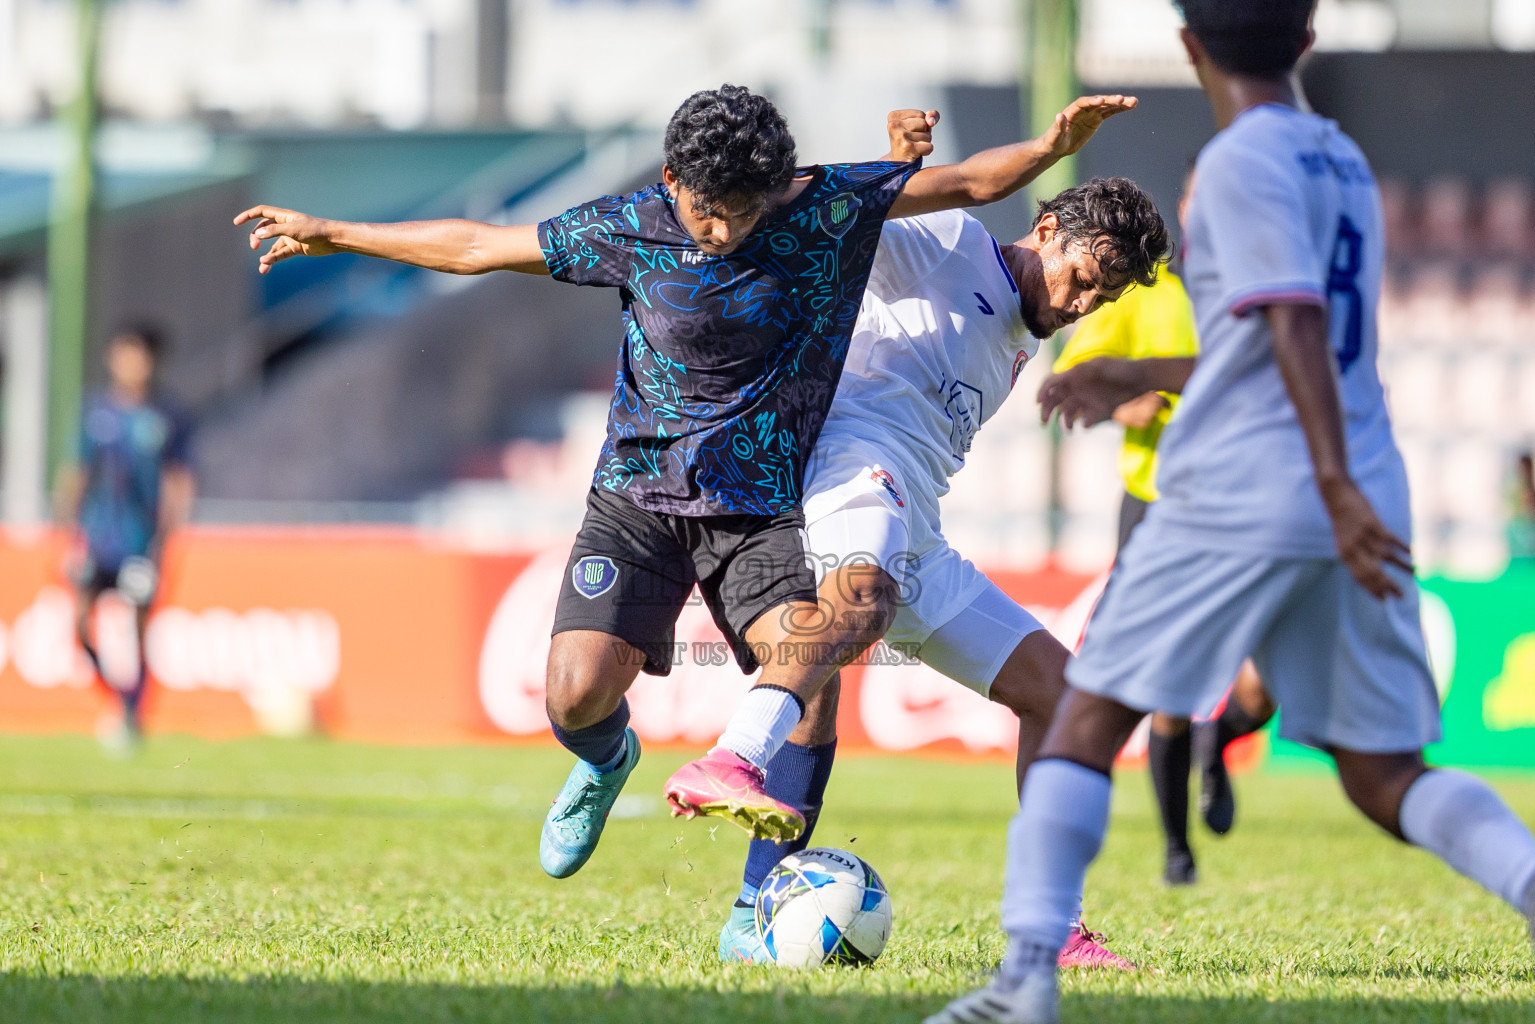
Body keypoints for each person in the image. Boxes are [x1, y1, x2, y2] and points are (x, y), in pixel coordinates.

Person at [237, 85, 1141, 881]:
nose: (726, 231)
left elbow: (943, 184)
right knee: (580, 691)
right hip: (666, 487)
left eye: (744, 211)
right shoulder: (643, 227)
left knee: (877, 682)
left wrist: (1019, 153)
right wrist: (338, 233)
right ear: (673, 183)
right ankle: (624, 756)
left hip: (777, 503)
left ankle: (782, 904)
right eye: (711, 212)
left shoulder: (805, 212)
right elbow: (480, 245)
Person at [929, 3, 1535, 1021]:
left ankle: (1024, 981)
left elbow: (1287, 320)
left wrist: (1323, 479)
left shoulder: (1235, 165)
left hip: (1252, 483)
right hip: (1357, 469)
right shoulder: (1339, 161)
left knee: (1079, 718)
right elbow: (1283, 332)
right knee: (1382, 770)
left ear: (1187, 49)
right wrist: (1144, 370)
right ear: (1304, 43)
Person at [715, 174, 1169, 969]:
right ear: (1048, 228)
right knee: (846, 624)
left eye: (1104, 299)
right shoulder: (951, 245)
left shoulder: (1020, 334)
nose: (1082, 306)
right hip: (851, 473)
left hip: (915, 528)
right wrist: (766, 187)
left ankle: (1047, 928)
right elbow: (836, 215)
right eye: (1083, 280)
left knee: (1056, 694)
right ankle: (735, 763)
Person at [1050, 189, 1274, 887]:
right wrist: (1124, 402)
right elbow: (1073, 373)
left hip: (1256, 507)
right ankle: (1177, 853)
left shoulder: (1271, 298)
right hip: (1160, 508)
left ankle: (1221, 739)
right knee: (1168, 681)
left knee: (1265, 689)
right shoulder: (1148, 297)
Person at [55, 325, 194, 748]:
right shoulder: (96, 411)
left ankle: (132, 715)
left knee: (137, 629)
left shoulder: (167, 415)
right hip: (98, 539)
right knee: (80, 628)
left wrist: (165, 542)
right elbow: (76, 474)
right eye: (126, 355)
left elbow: (177, 482)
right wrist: (66, 535)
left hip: (140, 542)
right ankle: (118, 699)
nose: (134, 365)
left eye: (141, 356)